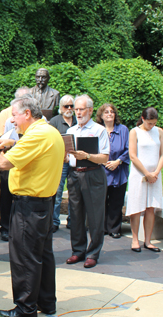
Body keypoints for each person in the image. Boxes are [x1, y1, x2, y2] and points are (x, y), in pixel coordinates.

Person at [0, 95, 64, 317]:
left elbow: (3, 163)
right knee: (43, 255)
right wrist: (13, 143)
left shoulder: (38, 135)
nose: (12, 120)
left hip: (29, 206)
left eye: (14, 115)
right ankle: (46, 302)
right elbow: (32, 152)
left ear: (27, 114)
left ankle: (25, 308)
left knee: (24, 257)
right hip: (43, 204)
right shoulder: (48, 131)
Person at [66, 95, 110, 268]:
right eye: (76, 109)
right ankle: (78, 251)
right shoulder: (71, 131)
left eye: (81, 109)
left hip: (93, 175)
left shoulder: (99, 130)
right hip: (74, 175)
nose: (77, 112)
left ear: (90, 110)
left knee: (95, 216)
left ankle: (93, 253)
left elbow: (105, 157)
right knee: (75, 215)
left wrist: (88, 156)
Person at [126, 107, 163, 252]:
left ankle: (148, 241)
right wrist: (146, 173)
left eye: (154, 123)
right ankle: (135, 239)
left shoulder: (159, 131)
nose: (152, 126)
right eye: (149, 123)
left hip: (155, 175)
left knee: (151, 207)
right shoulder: (134, 132)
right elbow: (133, 155)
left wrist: (155, 172)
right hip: (139, 175)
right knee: (136, 207)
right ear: (143, 119)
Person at [0, 87, 30, 242]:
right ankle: (5, 227)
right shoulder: (8, 117)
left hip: (27, 165)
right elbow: (1, 140)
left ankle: (21, 227)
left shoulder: (37, 119)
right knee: (6, 196)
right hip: (10, 161)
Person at [95, 103, 130, 239]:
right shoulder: (98, 130)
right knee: (101, 201)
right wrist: (103, 161)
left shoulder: (123, 130)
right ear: (101, 116)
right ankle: (102, 227)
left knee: (116, 201)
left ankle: (114, 228)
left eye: (112, 112)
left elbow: (129, 149)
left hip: (119, 171)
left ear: (115, 115)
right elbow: (93, 149)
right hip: (101, 170)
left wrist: (118, 161)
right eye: (106, 112)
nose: (109, 114)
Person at [49, 95, 77, 232]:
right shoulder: (54, 121)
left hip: (75, 161)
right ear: (60, 107)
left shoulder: (78, 121)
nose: (70, 108)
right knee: (58, 192)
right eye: (67, 106)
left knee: (75, 192)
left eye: (72, 106)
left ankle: (73, 221)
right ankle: (54, 221)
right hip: (60, 162)